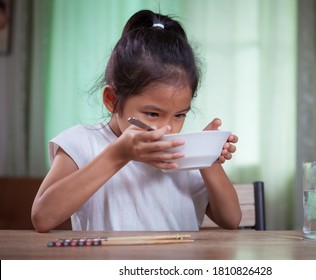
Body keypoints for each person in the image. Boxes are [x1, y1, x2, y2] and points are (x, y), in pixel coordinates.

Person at [31, 10, 241, 232]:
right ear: (112, 99)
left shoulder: (181, 152)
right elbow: (42, 217)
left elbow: (231, 219)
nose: (167, 129)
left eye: (179, 115)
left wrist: (207, 156)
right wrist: (118, 155)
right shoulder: (81, 143)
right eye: (152, 114)